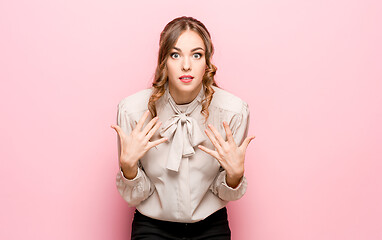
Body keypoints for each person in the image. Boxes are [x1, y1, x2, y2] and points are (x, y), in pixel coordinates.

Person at [111, 16, 255, 240]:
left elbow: (224, 192)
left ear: (207, 62)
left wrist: (234, 177)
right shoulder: (132, 111)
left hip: (211, 227)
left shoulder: (233, 112)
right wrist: (128, 168)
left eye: (196, 55)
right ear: (163, 61)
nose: (186, 65)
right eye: (175, 54)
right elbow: (135, 197)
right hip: (152, 227)